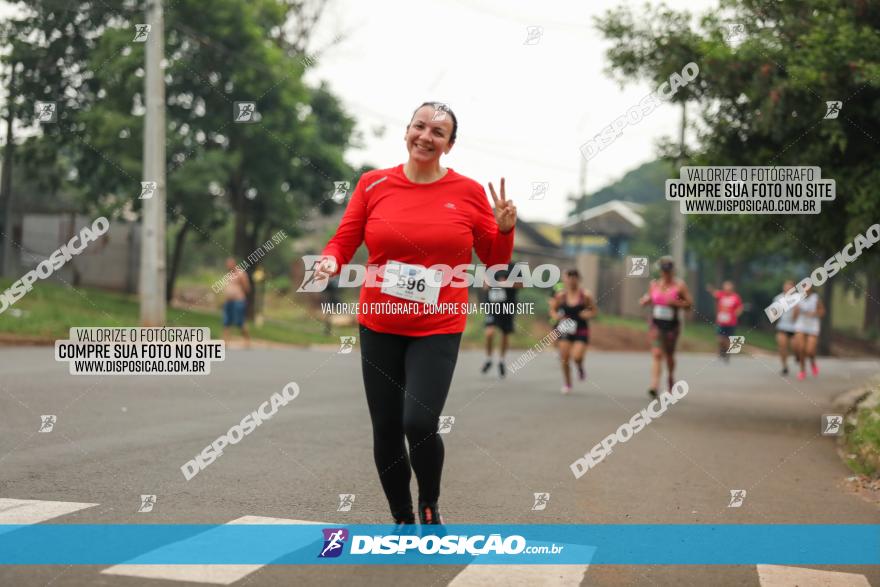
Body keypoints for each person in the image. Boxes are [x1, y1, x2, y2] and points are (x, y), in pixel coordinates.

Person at [312, 102, 517, 527]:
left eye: (438, 132)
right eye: (419, 127)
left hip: (438, 325)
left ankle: (429, 503)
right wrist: (330, 260)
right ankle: (403, 517)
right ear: (406, 131)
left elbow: (494, 260)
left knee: (419, 421)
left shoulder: (468, 192)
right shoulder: (373, 184)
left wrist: (504, 229)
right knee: (386, 427)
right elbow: (344, 239)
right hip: (380, 322)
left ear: (450, 145)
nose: (426, 136)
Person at [639, 256, 693, 399]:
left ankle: (670, 378)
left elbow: (689, 305)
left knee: (669, 355)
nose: (666, 273)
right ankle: (654, 385)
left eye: (668, 270)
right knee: (657, 353)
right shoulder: (654, 285)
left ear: (673, 271)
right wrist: (645, 301)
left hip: (672, 326)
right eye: (663, 270)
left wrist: (676, 304)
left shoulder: (679, 286)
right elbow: (649, 298)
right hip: (656, 324)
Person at [549, 268, 597, 395]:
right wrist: (556, 316)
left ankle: (580, 367)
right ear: (565, 280)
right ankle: (567, 383)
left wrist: (587, 314)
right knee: (564, 358)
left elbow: (594, 311)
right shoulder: (561, 296)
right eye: (569, 277)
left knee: (577, 357)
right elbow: (553, 310)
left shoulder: (586, 295)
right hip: (565, 329)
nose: (571, 280)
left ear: (578, 279)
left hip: (581, 329)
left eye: (574, 277)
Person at [480, 263, 522, 378]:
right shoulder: (489, 266)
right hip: (493, 306)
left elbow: (521, 284)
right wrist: (490, 283)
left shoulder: (514, 268)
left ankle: (501, 361)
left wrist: (506, 283)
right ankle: (488, 359)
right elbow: (484, 286)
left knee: (505, 334)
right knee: (489, 333)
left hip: (508, 306)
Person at [792, 284, 825, 380]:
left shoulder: (815, 298)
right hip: (800, 325)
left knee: (810, 350)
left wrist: (815, 313)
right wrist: (796, 311)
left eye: (807, 287)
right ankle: (802, 370)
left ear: (811, 288)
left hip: (812, 327)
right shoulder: (798, 299)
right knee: (801, 348)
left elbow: (822, 312)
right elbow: (794, 317)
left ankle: (812, 362)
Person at [706, 280, 743, 362]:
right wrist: (710, 289)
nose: (727, 290)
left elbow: (740, 307)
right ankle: (721, 350)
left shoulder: (736, 297)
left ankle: (727, 353)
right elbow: (714, 293)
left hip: (731, 322)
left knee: (728, 339)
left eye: (729, 288)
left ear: (732, 289)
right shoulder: (721, 295)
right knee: (720, 338)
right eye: (725, 288)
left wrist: (737, 313)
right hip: (721, 321)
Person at [221, 257, 251, 348]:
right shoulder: (228, 275)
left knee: (240, 321)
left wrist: (239, 295)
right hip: (228, 301)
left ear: (234, 264)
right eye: (227, 264)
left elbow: (247, 288)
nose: (228, 266)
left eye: (230, 264)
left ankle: (247, 340)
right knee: (226, 321)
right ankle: (225, 341)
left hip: (238, 301)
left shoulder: (241, 274)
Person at [773, 280, 798, 375]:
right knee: (782, 347)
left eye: (790, 287)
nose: (787, 288)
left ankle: (798, 355)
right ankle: (784, 367)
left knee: (795, 346)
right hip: (782, 326)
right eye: (786, 286)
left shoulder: (798, 298)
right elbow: (774, 313)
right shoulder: (778, 298)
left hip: (795, 327)